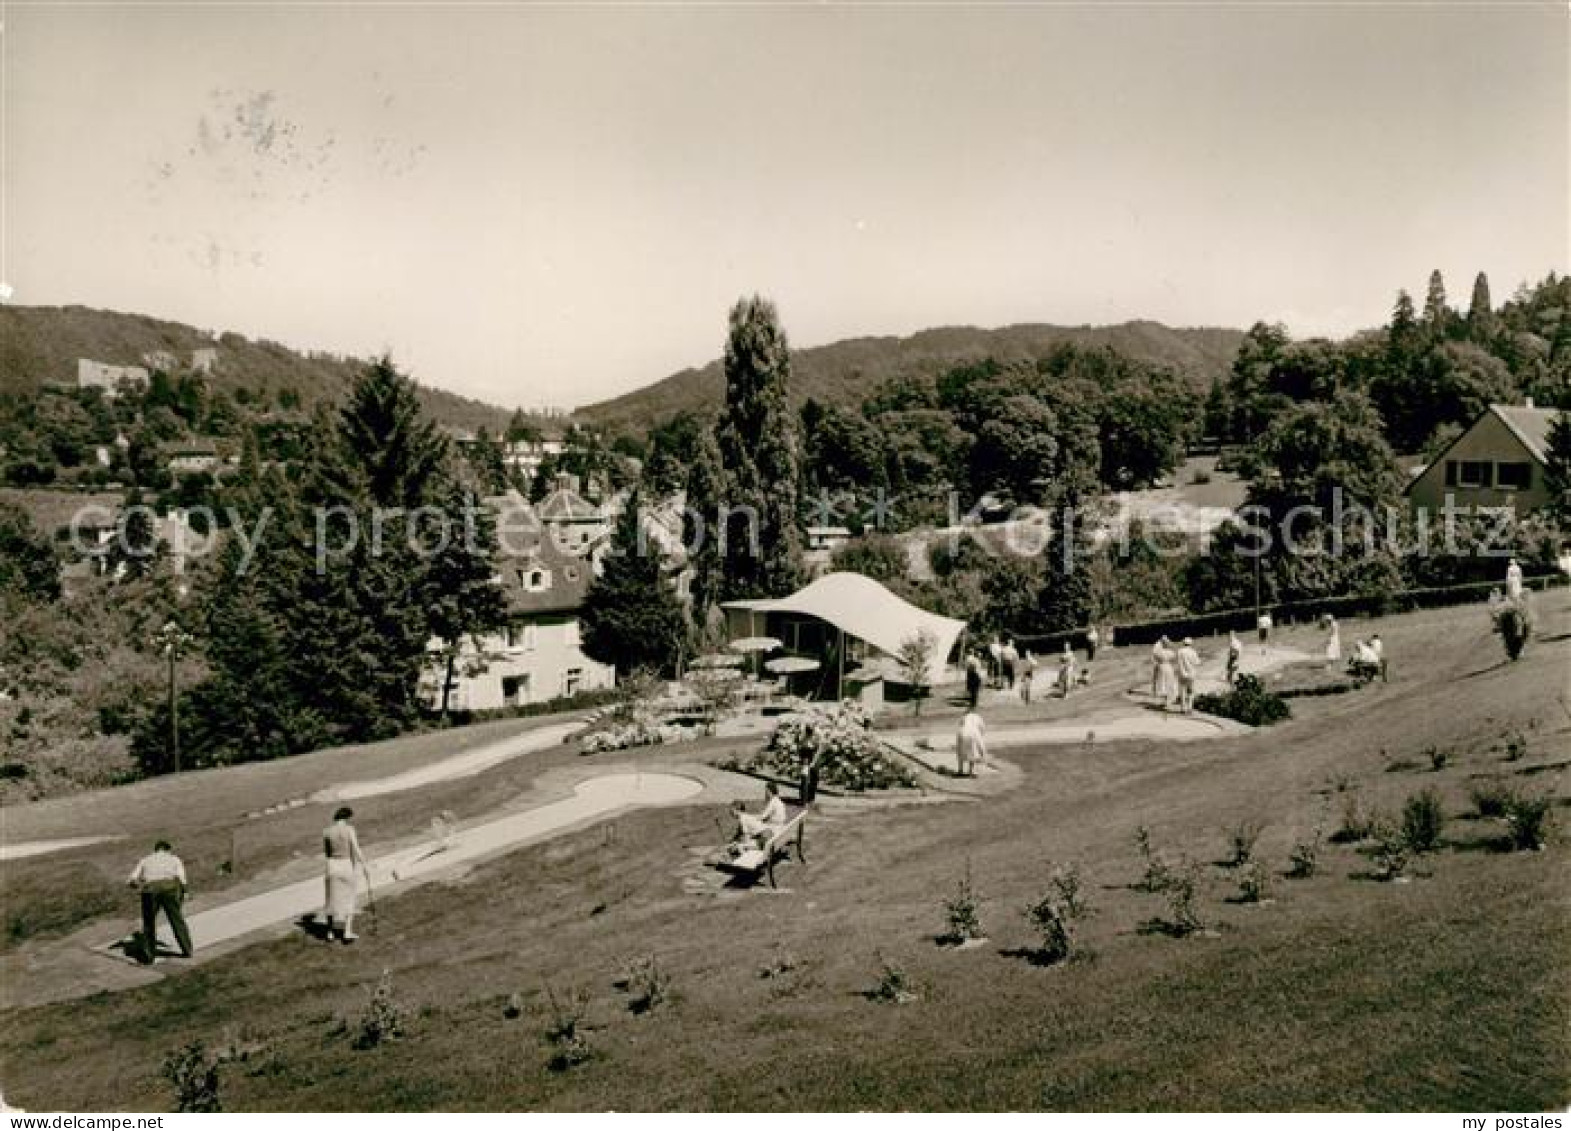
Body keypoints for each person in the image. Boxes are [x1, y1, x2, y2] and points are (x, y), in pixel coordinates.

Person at [127, 840, 193, 963]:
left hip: (150, 890)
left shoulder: (145, 860)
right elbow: (182, 878)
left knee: (149, 923)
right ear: (168, 849)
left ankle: (149, 955)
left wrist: (140, 887)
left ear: (156, 849)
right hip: (169, 889)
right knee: (176, 919)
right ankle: (187, 950)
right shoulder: (174, 859)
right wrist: (185, 892)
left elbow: (132, 879)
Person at [322, 807, 367, 944]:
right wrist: (365, 865)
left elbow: (327, 853)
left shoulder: (327, 831)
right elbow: (356, 848)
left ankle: (330, 932)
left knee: (331, 899)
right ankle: (347, 932)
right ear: (347, 818)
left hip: (332, 865)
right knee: (350, 897)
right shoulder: (349, 829)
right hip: (346, 864)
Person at [735, 781, 788, 846]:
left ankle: (745, 840)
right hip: (780, 827)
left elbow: (762, 817)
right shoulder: (778, 801)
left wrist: (750, 817)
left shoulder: (773, 802)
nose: (765, 793)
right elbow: (766, 817)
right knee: (754, 824)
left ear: (769, 791)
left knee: (749, 822)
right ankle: (746, 838)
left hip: (774, 829)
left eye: (766, 791)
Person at [956, 708, 987, 776]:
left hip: (962, 733)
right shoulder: (977, 717)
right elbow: (983, 728)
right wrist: (980, 736)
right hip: (973, 733)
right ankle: (971, 771)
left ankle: (960, 770)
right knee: (973, 751)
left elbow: (960, 726)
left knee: (961, 751)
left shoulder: (963, 717)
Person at [1175, 637, 1201, 714]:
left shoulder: (1179, 651)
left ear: (1183, 643)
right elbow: (1197, 662)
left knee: (1182, 691)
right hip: (1191, 674)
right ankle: (1189, 707)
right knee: (1191, 691)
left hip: (1182, 674)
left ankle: (1183, 708)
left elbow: (1177, 661)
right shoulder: (1193, 652)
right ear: (1191, 644)